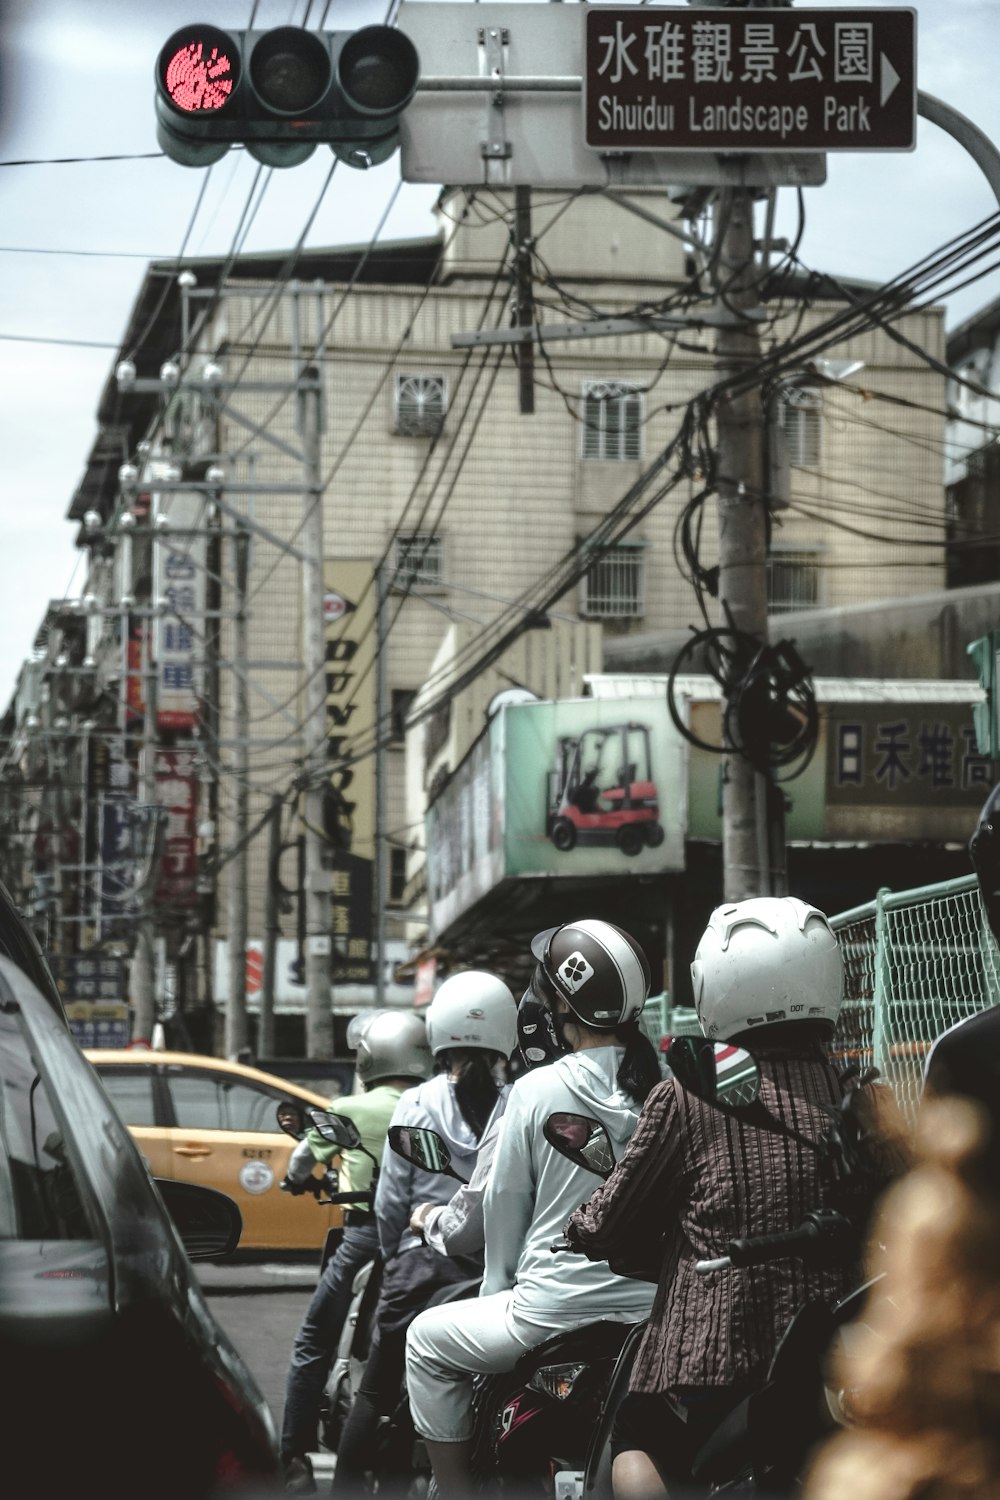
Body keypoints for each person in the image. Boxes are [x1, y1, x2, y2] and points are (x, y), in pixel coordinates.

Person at [564, 897, 856, 1500]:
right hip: (845, 1352)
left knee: (634, 1439)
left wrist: (581, 1225)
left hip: (717, 1359)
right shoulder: (858, 1091)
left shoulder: (691, 1094)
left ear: (713, 986)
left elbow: (609, 1220)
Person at [405, 918, 661, 1500]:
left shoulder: (535, 1090)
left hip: (545, 1318)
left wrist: (496, 1290)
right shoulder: (666, 1088)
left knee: (423, 1341)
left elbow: (503, 1224)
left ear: (562, 1003)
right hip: (648, 1321)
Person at [330, 970, 517, 1497]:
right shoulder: (515, 1103)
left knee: (374, 1394)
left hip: (418, 1265)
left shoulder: (416, 1102)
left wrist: (398, 1255)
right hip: (492, 1278)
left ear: (439, 1034)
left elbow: (390, 1200)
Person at [280, 1010, 433, 1494]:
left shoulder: (350, 1106)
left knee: (312, 1342)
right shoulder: (433, 1101)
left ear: (370, 1057)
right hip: (429, 1239)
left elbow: (304, 1158)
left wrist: (295, 1179)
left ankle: (294, 1456)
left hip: (365, 1235)